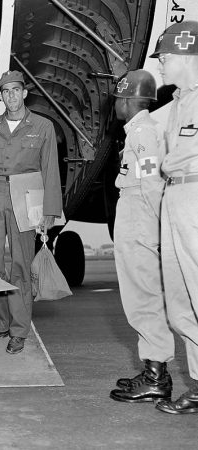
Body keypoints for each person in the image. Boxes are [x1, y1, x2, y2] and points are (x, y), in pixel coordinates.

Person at [0, 70, 62, 356]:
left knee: (20, 264)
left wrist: (49, 210)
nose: (11, 95)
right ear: (1, 95)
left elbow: (51, 169)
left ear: (25, 93)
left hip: (26, 192)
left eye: (16, 90)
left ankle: (19, 329)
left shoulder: (42, 126)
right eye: (6, 91)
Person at [108, 70, 174, 404]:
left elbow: (150, 183)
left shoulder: (143, 133)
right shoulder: (136, 130)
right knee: (137, 297)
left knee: (143, 298)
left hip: (139, 217)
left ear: (134, 101)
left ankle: (156, 377)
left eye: (120, 98)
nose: (116, 103)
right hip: (133, 213)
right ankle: (153, 368)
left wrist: (154, 229)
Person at [150, 20, 198, 415]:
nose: (161, 66)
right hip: (174, 196)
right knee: (181, 303)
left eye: (165, 58)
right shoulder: (177, 101)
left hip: (196, 193)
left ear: (187, 55)